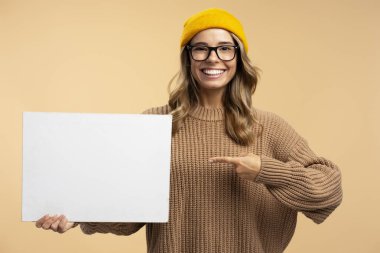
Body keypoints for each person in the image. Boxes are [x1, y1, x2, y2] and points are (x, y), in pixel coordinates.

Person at [36, 8, 343, 253]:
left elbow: (329, 189)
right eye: (202, 49)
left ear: (238, 58)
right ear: (188, 58)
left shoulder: (268, 126)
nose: (213, 58)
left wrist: (265, 170)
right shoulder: (154, 124)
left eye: (225, 48)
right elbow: (128, 214)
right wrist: (77, 216)